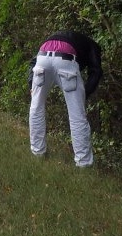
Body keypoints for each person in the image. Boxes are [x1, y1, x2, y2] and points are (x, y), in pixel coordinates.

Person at [28, 30, 102, 167]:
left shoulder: (62, 37)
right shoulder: (94, 47)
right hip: (66, 59)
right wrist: (84, 94)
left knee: (36, 108)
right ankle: (83, 163)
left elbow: (34, 61)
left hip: (42, 57)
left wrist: (31, 83)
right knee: (77, 115)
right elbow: (96, 71)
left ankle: (37, 152)